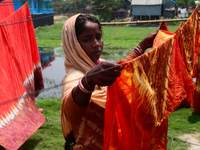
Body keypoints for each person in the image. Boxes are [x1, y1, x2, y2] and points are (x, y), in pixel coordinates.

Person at [61, 14, 157, 150]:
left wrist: (140, 48)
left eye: (98, 37)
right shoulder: (75, 75)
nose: (96, 44)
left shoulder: (97, 65)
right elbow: (71, 113)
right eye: (87, 39)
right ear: (73, 43)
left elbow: (119, 72)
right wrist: (87, 81)